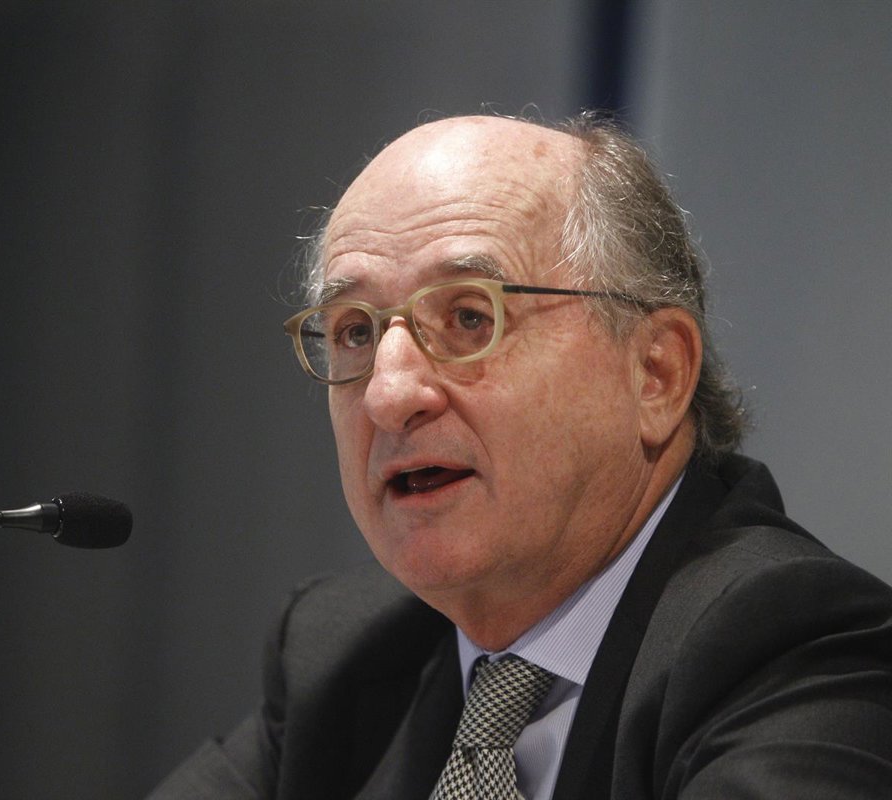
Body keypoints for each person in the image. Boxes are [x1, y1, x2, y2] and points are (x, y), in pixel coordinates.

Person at [147, 113, 892, 799]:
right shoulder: (343, 654)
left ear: (655, 373)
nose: (388, 394)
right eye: (355, 332)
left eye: (470, 317)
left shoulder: (796, 644)